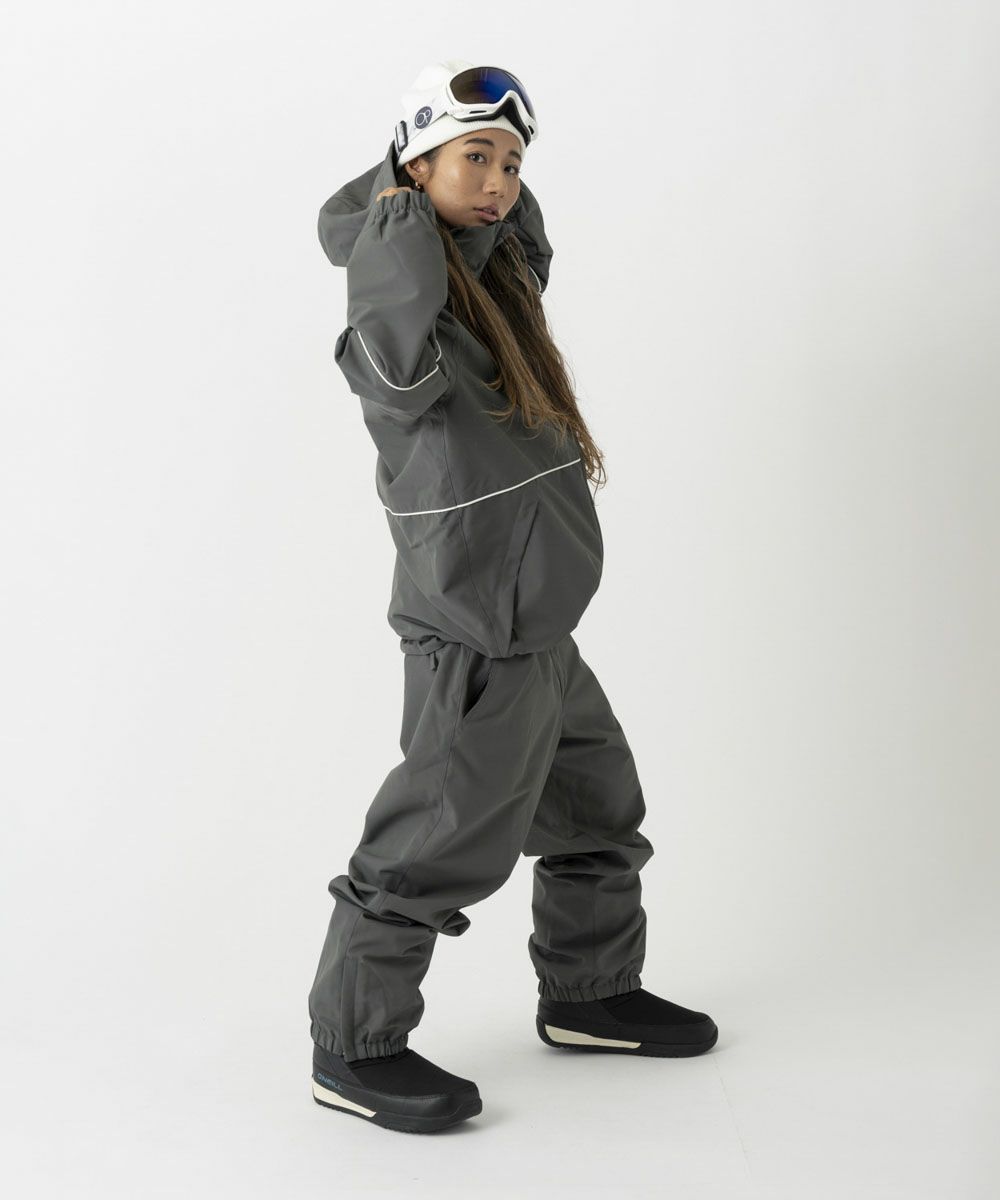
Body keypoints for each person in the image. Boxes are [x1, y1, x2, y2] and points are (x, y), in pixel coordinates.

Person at [308, 59, 718, 1134]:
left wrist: (468, 201)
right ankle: (353, 1047)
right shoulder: (397, 310)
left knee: (596, 812)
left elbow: (525, 249)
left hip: (541, 629)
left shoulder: (490, 294)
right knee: (430, 847)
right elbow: (396, 378)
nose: (497, 182)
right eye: (474, 158)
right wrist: (397, 217)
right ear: (414, 167)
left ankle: (590, 995)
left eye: (512, 163)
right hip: (475, 631)